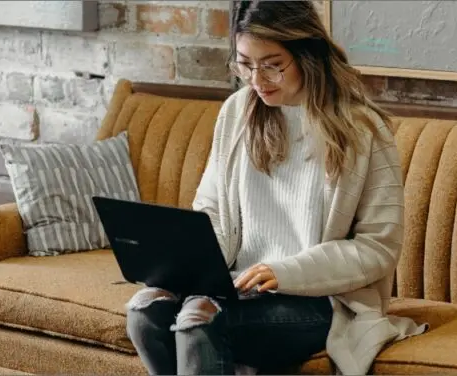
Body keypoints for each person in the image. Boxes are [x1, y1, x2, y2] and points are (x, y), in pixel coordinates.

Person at [123, 1, 427, 375]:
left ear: (308, 54)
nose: (257, 80)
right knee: (145, 312)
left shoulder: (362, 130)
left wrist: (286, 272)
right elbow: (212, 210)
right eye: (245, 64)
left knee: (199, 322)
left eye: (272, 65)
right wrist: (191, 268)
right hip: (237, 286)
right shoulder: (237, 113)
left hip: (319, 299)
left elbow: (378, 246)